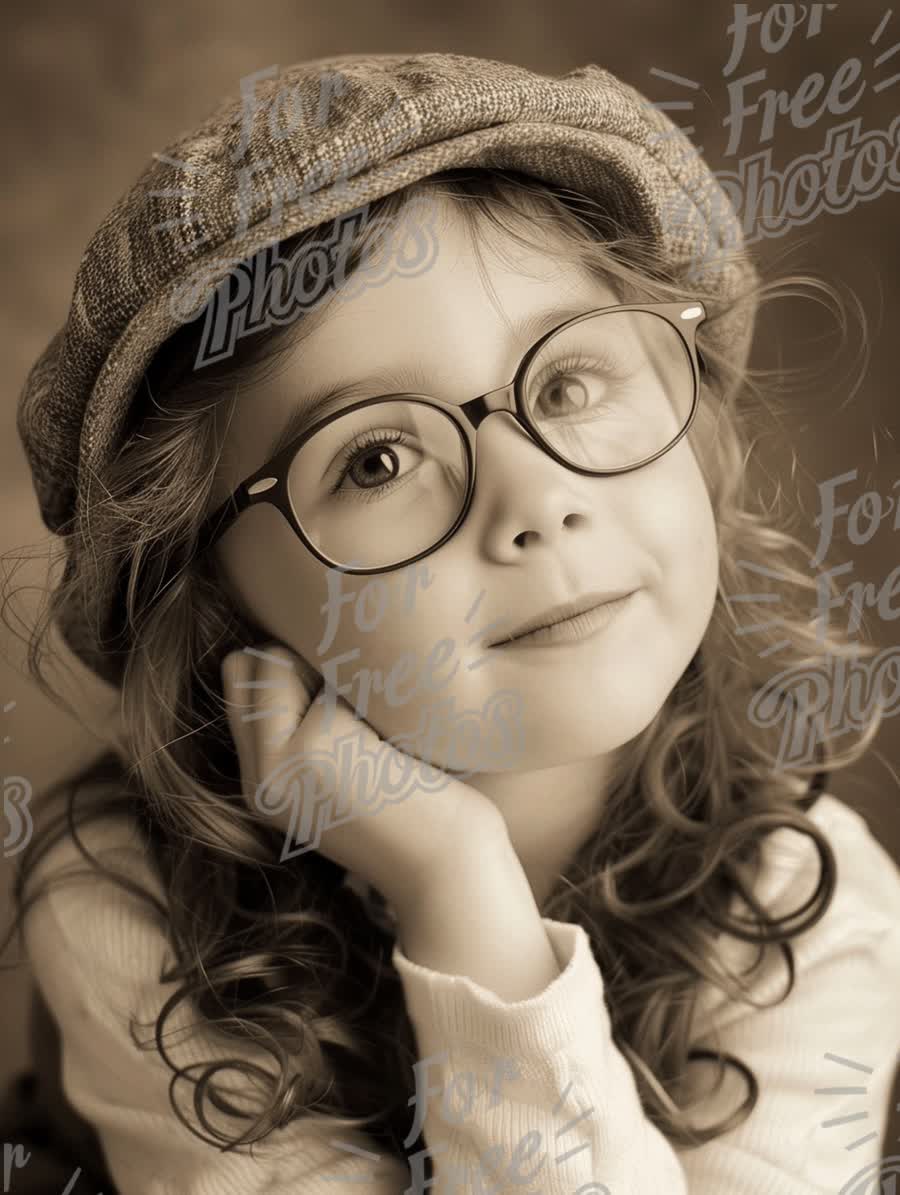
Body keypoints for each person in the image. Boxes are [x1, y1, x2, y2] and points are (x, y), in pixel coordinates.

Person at [2, 51, 899, 1195]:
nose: (534, 499)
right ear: (216, 604)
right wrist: (456, 885)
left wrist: (453, 888)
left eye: (570, 383)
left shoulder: (811, 899)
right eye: (377, 459)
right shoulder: (130, 903)